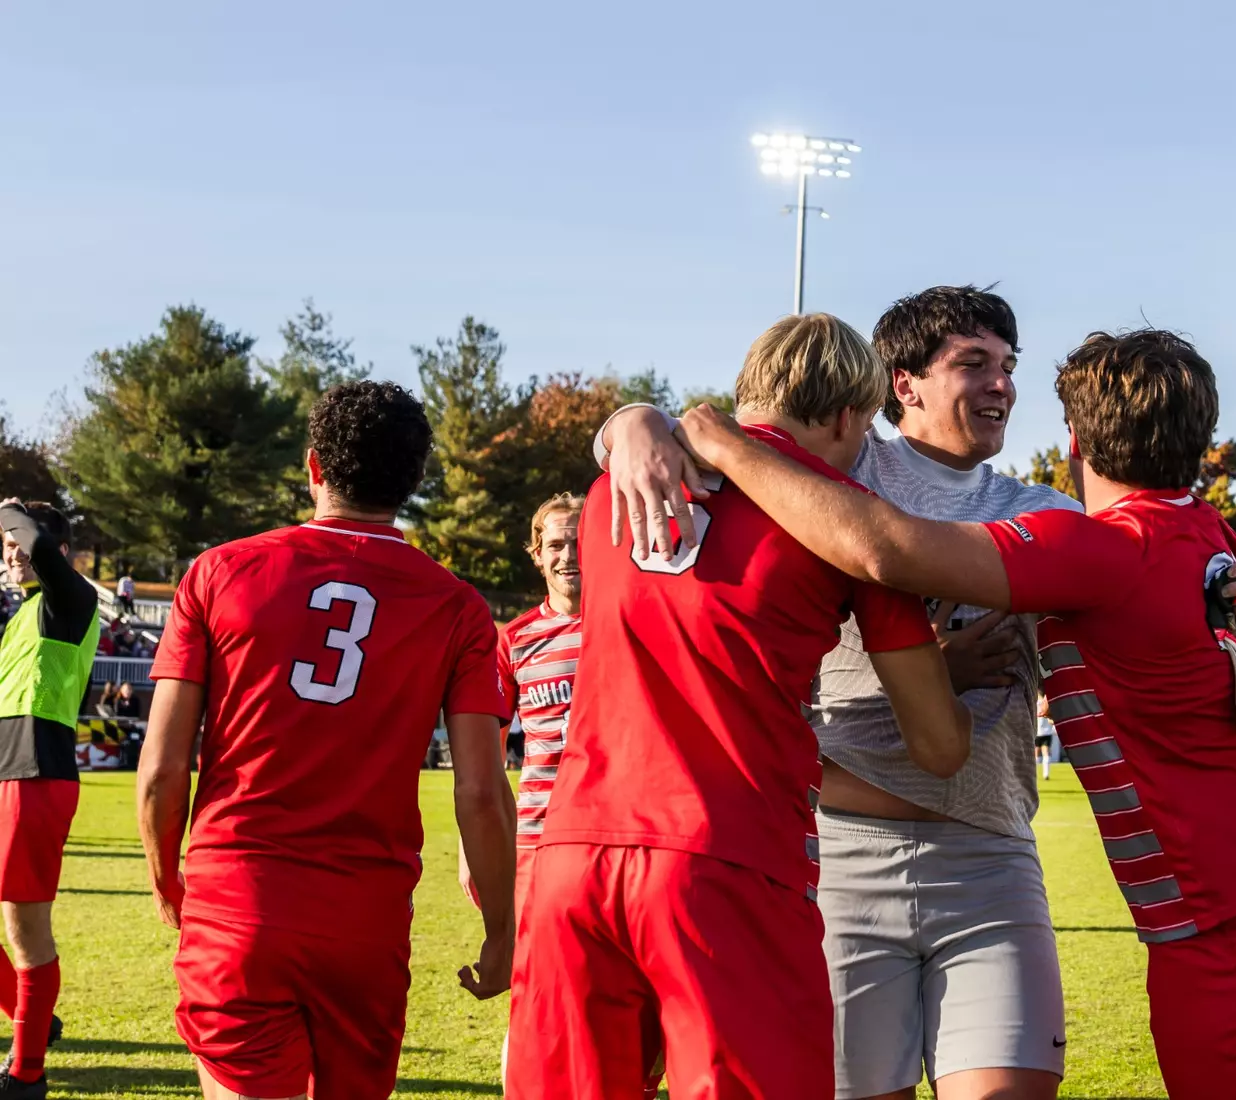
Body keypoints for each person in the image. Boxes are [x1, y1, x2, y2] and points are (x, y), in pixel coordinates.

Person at [598, 287, 1236, 1100]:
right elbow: (708, 459)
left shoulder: (1048, 513)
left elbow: (1166, 568)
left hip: (990, 855)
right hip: (841, 857)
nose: (1001, 385)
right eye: (973, 364)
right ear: (902, 386)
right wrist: (632, 420)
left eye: (1008, 367)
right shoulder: (834, 470)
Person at [507, 313, 973, 1100]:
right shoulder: (841, 517)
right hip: (726, 858)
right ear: (845, 417)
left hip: (572, 857)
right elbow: (938, 745)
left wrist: (631, 419)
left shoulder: (601, 498)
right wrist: (958, 659)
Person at [136, 381, 517, 1100]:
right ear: (412, 481)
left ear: (314, 467)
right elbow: (479, 790)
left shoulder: (217, 572)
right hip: (365, 922)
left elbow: (161, 768)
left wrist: (164, 870)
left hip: (238, 899)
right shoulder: (458, 606)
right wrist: (501, 929)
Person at [461, 492, 667, 1096]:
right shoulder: (515, 641)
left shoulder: (637, 619)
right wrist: (482, 861)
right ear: (535, 555)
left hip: (629, 844)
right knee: (537, 1008)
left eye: (577, 539)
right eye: (554, 543)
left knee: (639, 1008)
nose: (566, 554)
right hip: (539, 851)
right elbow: (486, 762)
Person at [0, 499, 95, 1097]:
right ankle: (34, 1017)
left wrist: (9, 514)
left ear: (55, 552)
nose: (12, 554)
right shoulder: (19, 617)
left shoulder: (72, 600)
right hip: (6, 772)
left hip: (36, 775)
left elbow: (26, 532)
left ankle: (25, 1076)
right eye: (5, 549)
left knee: (25, 930)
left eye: (19, 545)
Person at [1035, 695, 1057, 782]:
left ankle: (1035, 775)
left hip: (1037, 732)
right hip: (1046, 732)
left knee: (1036, 754)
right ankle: (1046, 774)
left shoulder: (1035, 703)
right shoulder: (1049, 702)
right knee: (1046, 753)